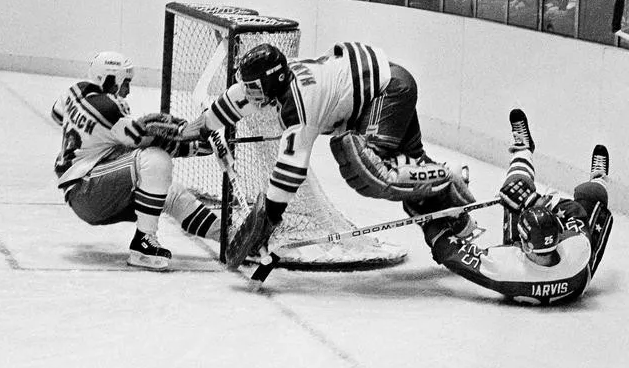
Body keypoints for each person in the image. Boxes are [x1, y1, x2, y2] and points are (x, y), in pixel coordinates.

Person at [179, 42, 475, 264]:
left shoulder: (300, 103)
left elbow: (291, 170)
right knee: (409, 169)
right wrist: (185, 133)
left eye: (255, 88)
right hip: (380, 89)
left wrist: (268, 219)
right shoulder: (276, 82)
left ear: (273, 81)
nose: (251, 93)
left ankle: (449, 175)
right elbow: (230, 104)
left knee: (368, 170)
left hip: (387, 91)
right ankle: (457, 217)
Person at [419, 109, 613, 305]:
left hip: (522, 277)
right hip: (576, 277)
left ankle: (522, 151)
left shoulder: (506, 266)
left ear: (525, 246)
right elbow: (575, 213)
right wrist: (533, 200)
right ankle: (599, 179)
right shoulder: (577, 249)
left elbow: (451, 253)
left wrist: (429, 221)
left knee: (514, 188)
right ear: (559, 235)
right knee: (592, 194)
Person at [51, 51, 221, 271]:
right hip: (88, 189)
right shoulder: (110, 108)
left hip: (82, 189)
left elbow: (57, 115)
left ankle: (226, 235)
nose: (128, 90)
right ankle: (143, 244)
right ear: (110, 79)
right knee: (155, 159)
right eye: (125, 83)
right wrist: (195, 140)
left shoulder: (74, 93)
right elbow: (148, 139)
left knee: (170, 193)